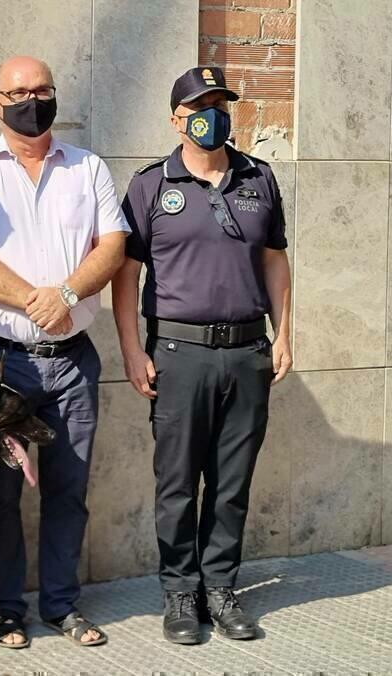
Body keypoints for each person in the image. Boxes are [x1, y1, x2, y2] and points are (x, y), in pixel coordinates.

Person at [0, 56, 127, 650]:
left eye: (42, 89)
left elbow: (113, 244)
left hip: (71, 359)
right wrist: (34, 299)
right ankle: (7, 609)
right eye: (17, 92)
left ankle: (63, 603)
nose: (31, 99)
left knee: (69, 487)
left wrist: (67, 295)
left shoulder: (87, 167)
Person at [111, 66, 293, 645]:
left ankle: (221, 588)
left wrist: (284, 332)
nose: (211, 114)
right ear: (175, 118)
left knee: (232, 482)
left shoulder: (258, 178)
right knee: (177, 483)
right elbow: (126, 274)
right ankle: (181, 595)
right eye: (199, 105)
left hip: (246, 353)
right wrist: (132, 350)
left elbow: (274, 259)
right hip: (178, 353)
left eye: (220, 103)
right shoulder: (148, 185)